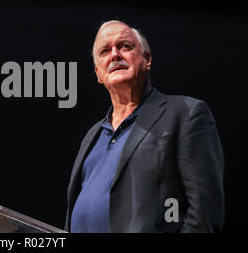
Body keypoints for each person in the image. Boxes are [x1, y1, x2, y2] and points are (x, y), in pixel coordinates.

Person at [65, 20, 224, 233]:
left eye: (125, 46)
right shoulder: (92, 135)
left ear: (147, 59)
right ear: (98, 74)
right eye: (105, 51)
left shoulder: (186, 113)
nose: (114, 55)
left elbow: (204, 212)